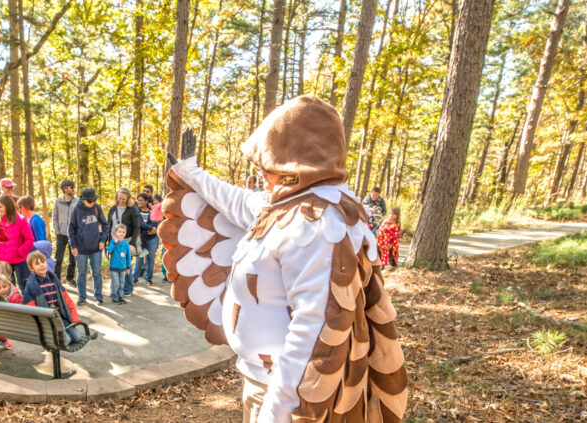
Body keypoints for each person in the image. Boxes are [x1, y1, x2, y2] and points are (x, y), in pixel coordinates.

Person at [159, 96, 407, 422]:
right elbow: (235, 202)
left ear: (295, 161)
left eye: (269, 165)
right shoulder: (290, 205)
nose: (260, 171)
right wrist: (191, 173)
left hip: (288, 399)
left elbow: (313, 330)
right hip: (260, 382)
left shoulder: (319, 220)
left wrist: (277, 411)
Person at [21, 251, 86, 350]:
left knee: (77, 337)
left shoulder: (53, 279)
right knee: (67, 340)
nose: (42, 265)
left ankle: (60, 334)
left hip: (61, 318)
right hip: (47, 322)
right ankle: (56, 336)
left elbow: (67, 300)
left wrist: (74, 318)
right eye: (37, 263)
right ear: (31, 268)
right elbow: (31, 309)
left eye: (43, 262)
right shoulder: (30, 285)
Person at [68, 188, 108, 306]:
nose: (92, 203)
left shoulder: (96, 208)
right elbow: (71, 230)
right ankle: (82, 297)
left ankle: (98, 297)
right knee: (81, 274)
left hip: (96, 247)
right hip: (81, 249)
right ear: (83, 200)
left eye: (94, 200)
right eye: (90, 201)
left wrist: (102, 241)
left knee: (96, 273)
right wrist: (73, 246)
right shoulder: (76, 210)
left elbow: (105, 225)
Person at [0, 195, 35, 289]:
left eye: (0, 207)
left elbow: (30, 240)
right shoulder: (0, 222)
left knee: (24, 286)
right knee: (8, 288)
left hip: (19, 260)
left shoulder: (21, 221)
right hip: (5, 261)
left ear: (8, 206)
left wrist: (19, 252)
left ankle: (28, 303)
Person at [106, 188, 140, 295]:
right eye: (119, 198)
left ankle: (128, 289)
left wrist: (132, 243)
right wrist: (108, 242)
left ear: (128, 198)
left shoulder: (132, 210)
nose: (121, 201)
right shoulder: (112, 209)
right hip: (114, 241)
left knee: (126, 266)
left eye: (124, 199)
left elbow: (136, 228)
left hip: (126, 241)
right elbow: (109, 226)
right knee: (114, 267)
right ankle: (114, 290)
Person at [51, 180, 78, 285]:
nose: (73, 189)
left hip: (74, 234)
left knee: (73, 258)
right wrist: (57, 231)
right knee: (59, 258)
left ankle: (70, 278)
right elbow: (54, 217)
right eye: (71, 187)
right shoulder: (58, 201)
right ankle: (56, 280)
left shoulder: (78, 201)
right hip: (61, 234)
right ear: (65, 189)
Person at [0, 275, 24, 349]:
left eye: (4, 286)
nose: (2, 290)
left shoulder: (15, 296)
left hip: (18, 321)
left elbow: (20, 313)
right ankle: (0, 339)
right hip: (6, 321)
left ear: (9, 285)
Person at [132, 193, 160, 288]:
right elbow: (138, 223)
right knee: (139, 260)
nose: (139, 202)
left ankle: (149, 279)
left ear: (146, 201)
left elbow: (155, 221)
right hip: (140, 239)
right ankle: (134, 278)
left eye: (141, 200)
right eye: (138, 200)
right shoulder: (136, 211)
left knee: (150, 260)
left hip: (152, 239)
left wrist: (154, 229)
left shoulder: (153, 210)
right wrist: (151, 228)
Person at [106, 224, 132, 304]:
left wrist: (128, 267)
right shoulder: (113, 242)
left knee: (122, 283)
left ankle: (120, 296)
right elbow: (109, 251)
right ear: (115, 233)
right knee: (116, 283)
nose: (121, 233)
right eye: (119, 232)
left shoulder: (126, 244)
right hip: (114, 267)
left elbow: (128, 256)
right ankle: (114, 297)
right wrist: (114, 242)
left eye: (123, 232)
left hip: (123, 268)